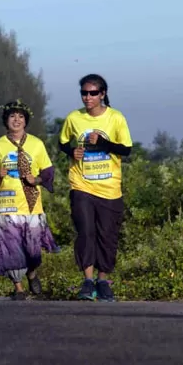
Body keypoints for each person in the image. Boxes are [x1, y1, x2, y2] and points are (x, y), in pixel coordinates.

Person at [59, 74, 133, 302]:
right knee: (86, 232)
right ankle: (87, 280)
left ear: (102, 94)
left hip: (109, 188)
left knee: (107, 236)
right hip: (81, 184)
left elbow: (126, 150)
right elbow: (62, 143)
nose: (87, 97)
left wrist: (102, 144)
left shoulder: (116, 118)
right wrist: (72, 151)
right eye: (84, 93)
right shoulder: (74, 118)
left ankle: (103, 281)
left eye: (92, 93)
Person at [0, 99, 57, 301]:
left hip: (32, 205)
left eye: (20, 117)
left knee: (33, 252)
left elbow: (48, 172)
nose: (16, 120)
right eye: (12, 116)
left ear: (25, 121)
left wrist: (35, 179)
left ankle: (32, 273)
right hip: (7, 205)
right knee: (12, 249)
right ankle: (18, 288)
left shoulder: (36, 144)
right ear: (6, 120)